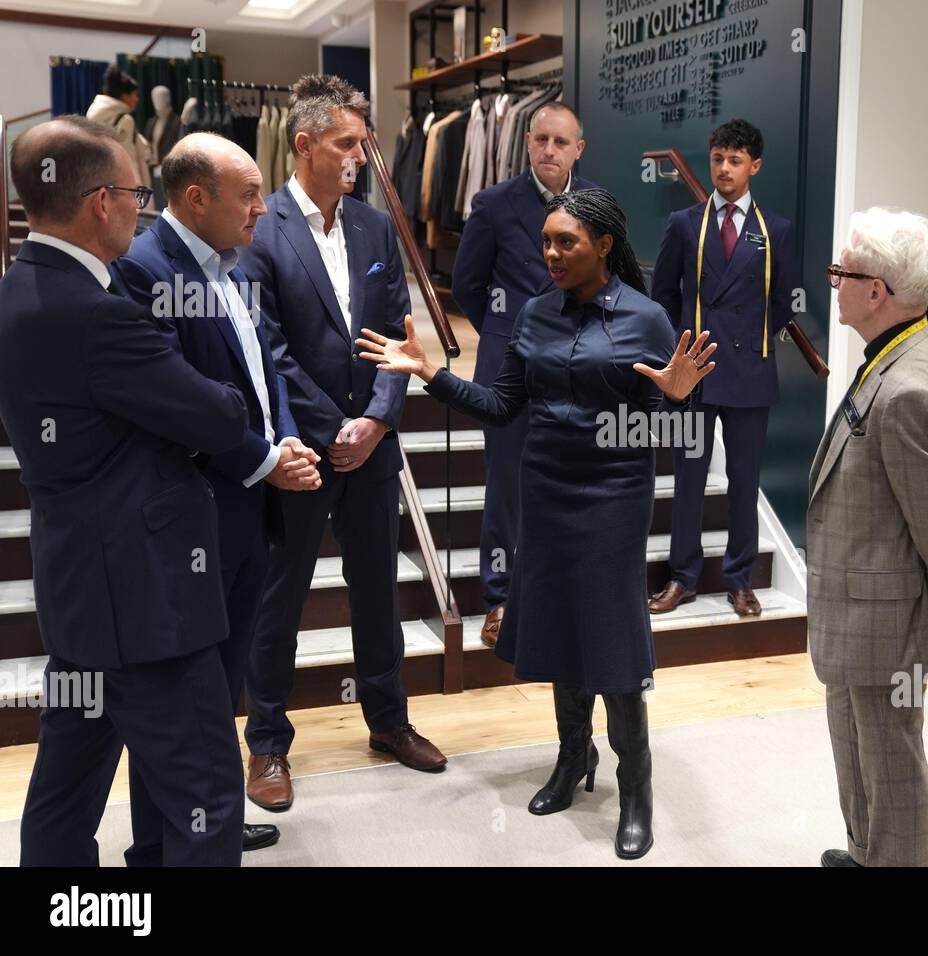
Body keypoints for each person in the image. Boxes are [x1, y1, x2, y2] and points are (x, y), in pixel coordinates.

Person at [356, 188, 716, 860]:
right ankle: (571, 758)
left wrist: (676, 400)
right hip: (544, 489)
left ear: (604, 245)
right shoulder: (532, 313)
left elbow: (674, 433)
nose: (549, 253)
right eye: (545, 241)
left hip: (613, 495)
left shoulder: (646, 319)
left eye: (565, 242)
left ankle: (635, 788)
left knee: (611, 639)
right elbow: (499, 406)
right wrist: (430, 373)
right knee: (557, 625)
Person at [0, 116, 249, 866]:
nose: (141, 211)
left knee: (67, 786)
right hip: (150, 604)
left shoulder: (15, 290)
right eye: (137, 195)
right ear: (100, 202)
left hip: (78, 587)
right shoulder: (101, 316)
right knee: (205, 792)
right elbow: (221, 412)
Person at [111, 132, 324, 856]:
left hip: (247, 516)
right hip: (191, 524)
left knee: (219, 693)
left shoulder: (232, 265)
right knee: (181, 714)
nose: (263, 209)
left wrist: (285, 438)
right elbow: (174, 403)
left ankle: (208, 825)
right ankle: (163, 849)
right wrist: (264, 459)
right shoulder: (145, 272)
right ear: (195, 198)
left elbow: (265, 368)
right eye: (249, 195)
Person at [239, 74, 447, 815]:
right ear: (303, 145)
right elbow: (265, 347)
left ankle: (388, 720)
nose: (361, 156)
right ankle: (266, 742)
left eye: (361, 142)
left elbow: (398, 328)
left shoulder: (373, 225)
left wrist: (382, 417)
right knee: (280, 597)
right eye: (346, 144)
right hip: (301, 451)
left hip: (374, 446)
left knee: (376, 590)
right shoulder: (261, 228)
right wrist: (334, 430)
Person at [808, 207, 928, 867]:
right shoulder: (900, 352)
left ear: (877, 292)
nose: (833, 283)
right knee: (860, 752)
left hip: (884, 620)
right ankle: (867, 855)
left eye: (842, 273)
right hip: (861, 610)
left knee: (891, 763)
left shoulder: (910, 384)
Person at [451, 101, 597, 647]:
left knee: (569, 481)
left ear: (577, 148)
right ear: (527, 143)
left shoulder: (596, 205)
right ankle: (499, 598)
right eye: (541, 140)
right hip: (508, 371)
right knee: (506, 486)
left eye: (561, 142)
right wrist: (505, 326)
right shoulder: (492, 204)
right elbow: (467, 285)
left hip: (579, 367)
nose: (549, 151)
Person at [649, 118, 797, 618]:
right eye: (717, 158)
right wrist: (680, 352)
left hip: (750, 374)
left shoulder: (776, 231)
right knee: (688, 478)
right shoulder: (684, 224)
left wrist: (749, 341)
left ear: (754, 166)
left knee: (743, 479)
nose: (724, 168)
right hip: (693, 371)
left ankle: (739, 580)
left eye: (735, 160)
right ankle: (682, 577)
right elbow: (663, 297)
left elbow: (783, 303)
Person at [86, 65, 154, 211]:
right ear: (124, 96)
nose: (137, 99)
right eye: (135, 94)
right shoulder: (124, 120)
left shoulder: (94, 113)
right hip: (123, 186)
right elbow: (130, 159)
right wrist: (139, 196)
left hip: (99, 181)